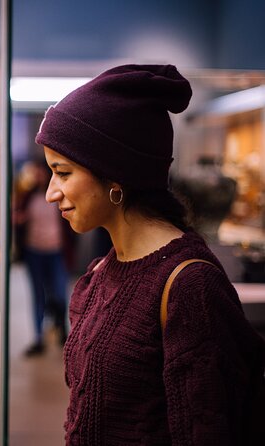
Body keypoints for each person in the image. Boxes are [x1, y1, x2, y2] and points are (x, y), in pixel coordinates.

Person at [35, 64, 265, 445]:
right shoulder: (102, 271)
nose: (50, 192)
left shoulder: (190, 286)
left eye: (63, 172)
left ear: (114, 176)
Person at [13, 158, 69, 355]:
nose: (37, 176)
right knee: (38, 295)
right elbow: (19, 218)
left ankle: (63, 330)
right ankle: (38, 337)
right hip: (34, 251)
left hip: (55, 251)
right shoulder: (28, 197)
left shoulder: (58, 194)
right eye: (35, 172)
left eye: (40, 171)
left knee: (60, 293)